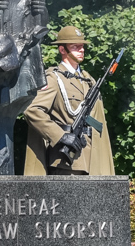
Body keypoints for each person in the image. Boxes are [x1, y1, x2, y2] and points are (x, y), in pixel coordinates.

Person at [22, 26, 115, 175]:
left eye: (82, 46)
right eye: (75, 46)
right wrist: (60, 136)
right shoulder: (53, 79)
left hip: (92, 159)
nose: (81, 50)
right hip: (67, 161)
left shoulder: (88, 80)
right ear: (62, 50)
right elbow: (32, 110)